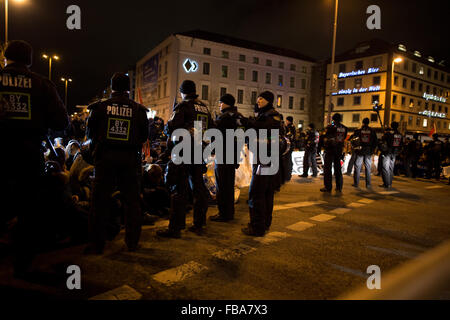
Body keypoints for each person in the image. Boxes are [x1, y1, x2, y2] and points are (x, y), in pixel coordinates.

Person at [0, 40, 69, 276]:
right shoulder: (42, 84)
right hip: (29, 156)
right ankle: (22, 265)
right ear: (29, 61)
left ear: (5, 58)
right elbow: (61, 122)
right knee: (28, 211)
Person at [85, 73, 149, 254]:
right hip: (129, 160)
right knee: (132, 203)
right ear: (128, 88)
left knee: (99, 203)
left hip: (105, 159)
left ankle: (96, 245)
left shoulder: (100, 107)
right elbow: (144, 136)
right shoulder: (138, 110)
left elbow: (90, 134)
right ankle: (132, 243)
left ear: (112, 87)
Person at [157, 80, 214, 238]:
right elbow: (212, 128)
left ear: (183, 92)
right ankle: (199, 224)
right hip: (199, 151)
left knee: (179, 190)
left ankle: (175, 228)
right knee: (199, 188)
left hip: (183, 152)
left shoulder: (183, 106)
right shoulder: (204, 107)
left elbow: (171, 128)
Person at [243, 91, 282, 236]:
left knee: (256, 192)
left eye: (262, 99)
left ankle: (257, 227)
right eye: (258, 98)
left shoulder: (271, 116)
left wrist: (248, 122)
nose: (258, 100)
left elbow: (263, 128)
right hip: (263, 158)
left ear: (269, 101)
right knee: (266, 192)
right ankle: (264, 223)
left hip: (265, 160)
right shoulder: (263, 115)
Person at [210, 94, 245, 223]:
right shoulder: (239, 116)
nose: (219, 105)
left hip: (223, 154)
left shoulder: (224, 117)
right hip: (234, 154)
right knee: (229, 186)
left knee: (222, 186)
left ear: (225, 103)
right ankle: (229, 213)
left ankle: (223, 213)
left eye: (221, 102)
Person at [320, 113, 348, 193]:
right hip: (339, 150)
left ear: (333, 119)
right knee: (338, 169)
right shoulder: (344, 128)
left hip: (330, 150)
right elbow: (344, 138)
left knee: (328, 168)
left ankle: (328, 187)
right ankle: (339, 186)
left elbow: (326, 137)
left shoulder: (330, 127)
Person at [352, 118, 377, 189]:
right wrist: (372, 150)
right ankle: (368, 184)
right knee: (368, 168)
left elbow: (354, 141)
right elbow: (375, 142)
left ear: (362, 122)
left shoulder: (358, 131)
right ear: (368, 123)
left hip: (360, 150)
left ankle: (356, 183)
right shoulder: (372, 131)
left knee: (357, 167)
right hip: (368, 151)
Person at [379, 122, 403, 189]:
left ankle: (386, 183)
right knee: (391, 168)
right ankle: (389, 183)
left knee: (385, 168)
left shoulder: (388, 134)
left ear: (391, 126)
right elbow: (401, 145)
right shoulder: (400, 134)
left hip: (387, 152)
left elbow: (382, 141)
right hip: (394, 153)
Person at [283, 116, 296, 182]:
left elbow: (289, 136)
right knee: (288, 160)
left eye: (286, 120)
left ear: (288, 120)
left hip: (289, 146)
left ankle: (287, 176)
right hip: (291, 145)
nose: (286, 121)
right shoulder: (292, 126)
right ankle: (288, 175)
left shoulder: (290, 127)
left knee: (287, 161)